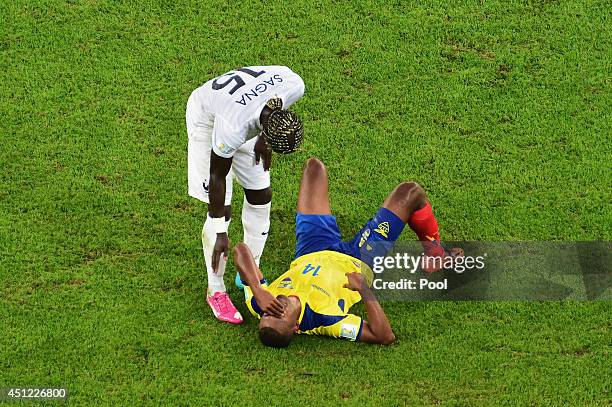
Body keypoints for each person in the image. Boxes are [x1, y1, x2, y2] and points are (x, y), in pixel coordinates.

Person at [233, 158, 461, 347]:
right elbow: (384, 336)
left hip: (311, 248)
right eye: (280, 314)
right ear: (296, 327)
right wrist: (363, 288)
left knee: (314, 168)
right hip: (358, 257)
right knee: (410, 192)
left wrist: (256, 288)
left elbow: (241, 250)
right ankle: (435, 254)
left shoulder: (260, 303)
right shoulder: (325, 318)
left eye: (268, 314)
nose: (276, 307)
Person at [186, 66, 305, 324]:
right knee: (222, 209)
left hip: (247, 116)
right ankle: (215, 290)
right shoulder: (232, 128)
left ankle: (250, 271)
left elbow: (266, 104)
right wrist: (220, 230)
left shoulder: (294, 85)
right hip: (209, 121)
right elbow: (218, 175)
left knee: (261, 194)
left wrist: (264, 138)